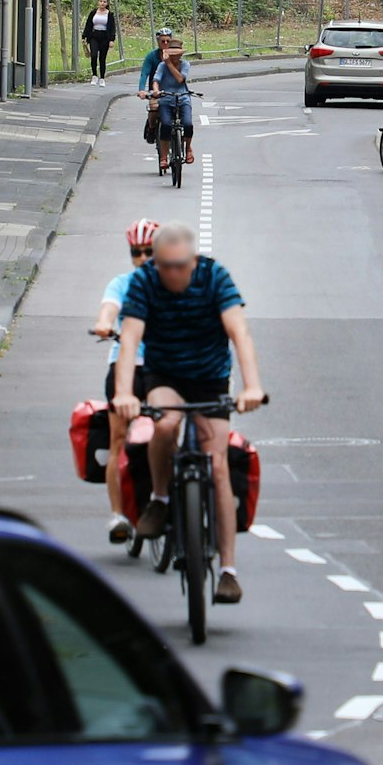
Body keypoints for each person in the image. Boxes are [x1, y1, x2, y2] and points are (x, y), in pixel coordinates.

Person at [111, 223, 266, 604]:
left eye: (180, 266)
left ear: (193, 260)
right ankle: (160, 499)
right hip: (164, 373)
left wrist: (251, 387)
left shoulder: (214, 276)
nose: (173, 274)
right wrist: (124, 394)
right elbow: (130, 338)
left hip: (210, 376)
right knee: (165, 423)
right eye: (165, 266)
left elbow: (239, 332)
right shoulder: (146, 281)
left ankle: (228, 571)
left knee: (217, 466)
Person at [90, 218, 157, 544]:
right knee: (119, 439)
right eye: (136, 252)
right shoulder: (121, 283)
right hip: (125, 367)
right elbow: (108, 308)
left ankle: (166, 501)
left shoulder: (173, 285)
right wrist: (104, 323)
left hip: (163, 369)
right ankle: (118, 514)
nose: (143, 257)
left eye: (150, 251)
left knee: (170, 433)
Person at [152, 39, 195, 169]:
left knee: (188, 124)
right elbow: (156, 80)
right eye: (172, 54)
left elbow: (180, 79)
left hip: (183, 99)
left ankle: (188, 149)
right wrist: (156, 91)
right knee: (165, 125)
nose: (175, 57)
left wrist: (169, 63)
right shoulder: (162, 66)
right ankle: (164, 157)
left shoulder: (185, 65)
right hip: (166, 99)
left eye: (177, 55)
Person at [138, 27, 172, 146]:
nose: (165, 43)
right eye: (163, 41)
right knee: (154, 108)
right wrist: (141, 90)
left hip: (171, 90)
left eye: (168, 41)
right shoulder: (151, 56)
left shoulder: (175, 55)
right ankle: (152, 128)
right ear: (158, 41)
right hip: (156, 90)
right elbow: (145, 73)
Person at [82, 0, 117, 86]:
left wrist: (111, 40)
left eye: (104, 2)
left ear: (107, 4)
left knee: (102, 58)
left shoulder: (109, 14)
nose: (102, 3)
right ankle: (94, 75)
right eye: (101, 1)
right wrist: (84, 36)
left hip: (104, 37)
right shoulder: (93, 13)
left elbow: (112, 28)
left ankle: (102, 78)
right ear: (98, 2)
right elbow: (88, 24)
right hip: (94, 36)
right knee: (93, 55)